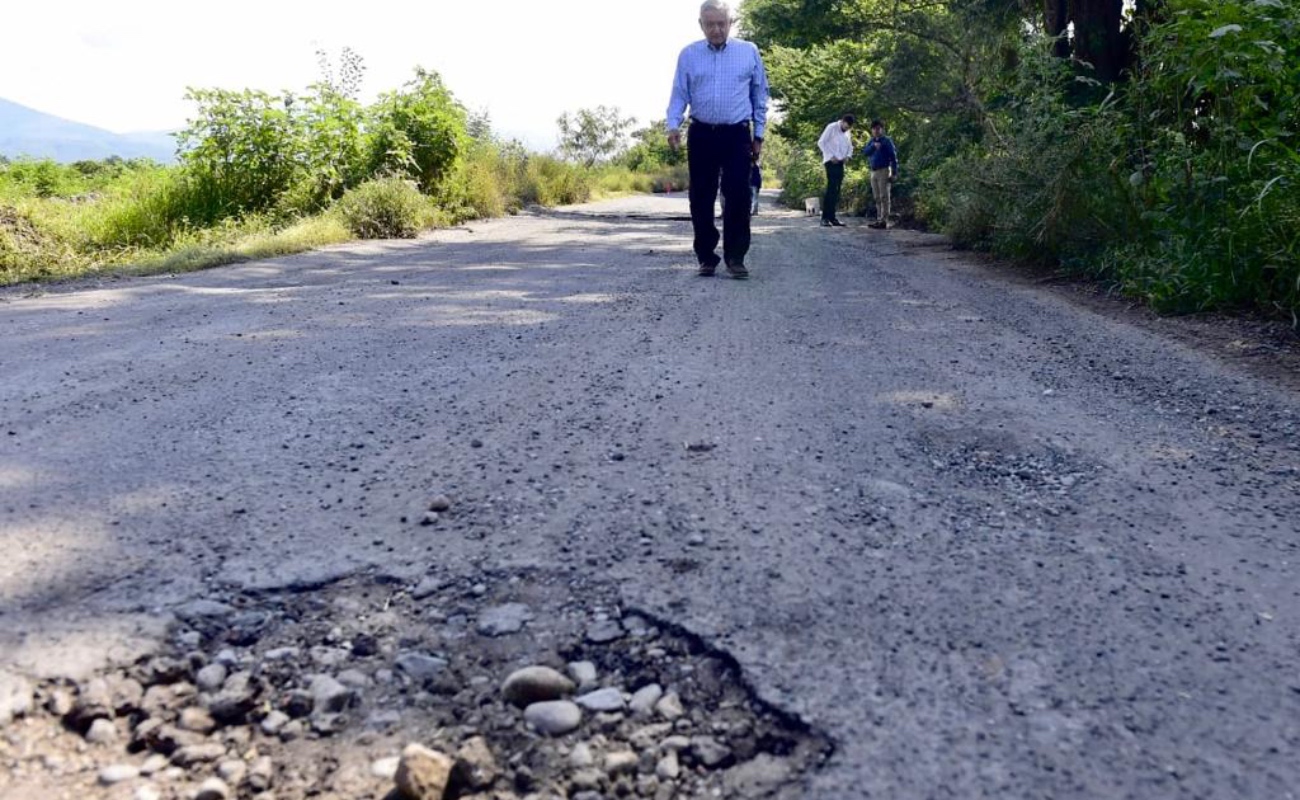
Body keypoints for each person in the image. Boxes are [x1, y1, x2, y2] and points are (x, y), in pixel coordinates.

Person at [667, 0, 770, 279]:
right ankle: (706, 256)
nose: (716, 29)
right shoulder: (688, 55)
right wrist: (673, 125)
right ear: (700, 24)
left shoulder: (748, 52)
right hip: (701, 133)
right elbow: (679, 94)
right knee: (701, 197)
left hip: (737, 133)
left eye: (721, 23)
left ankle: (736, 256)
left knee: (738, 195)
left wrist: (758, 134)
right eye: (710, 24)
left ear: (731, 23)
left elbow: (760, 96)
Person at [816, 114, 855, 227]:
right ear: (842, 121)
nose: (846, 129)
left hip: (841, 162)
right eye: (845, 127)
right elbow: (821, 142)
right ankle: (824, 218)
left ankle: (832, 217)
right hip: (831, 161)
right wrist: (830, 155)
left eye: (848, 128)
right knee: (831, 188)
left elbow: (850, 146)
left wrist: (848, 156)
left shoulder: (847, 132)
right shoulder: (831, 127)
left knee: (837, 190)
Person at [861, 119, 898, 229]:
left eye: (878, 129)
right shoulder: (871, 141)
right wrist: (873, 147)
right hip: (873, 171)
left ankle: (884, 220)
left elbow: (893, 157)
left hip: (884, 170)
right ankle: (878, 218)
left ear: (882, 129)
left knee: (884, 196)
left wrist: (894, 172)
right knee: (876, 196)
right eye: (874, 129)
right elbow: (865, 152)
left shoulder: (887, 141)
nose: (876, 131)